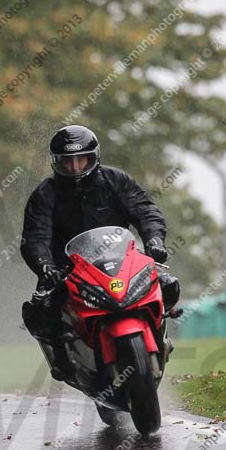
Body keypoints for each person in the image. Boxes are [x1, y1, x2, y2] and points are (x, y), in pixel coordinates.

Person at [20, 124, 179, 380]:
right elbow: (35, 238)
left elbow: (146, 211)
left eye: (81, 160)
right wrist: (45, 266)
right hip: (66, 271)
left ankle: (161, 334)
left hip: (122, 260)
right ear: (56, 162)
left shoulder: (116, 180)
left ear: (93, 157)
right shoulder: (44, 194)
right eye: (67, 161)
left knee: (168, 284)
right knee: (39, 311)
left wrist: (155, 241)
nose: (74, 168)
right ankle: (63, 361)